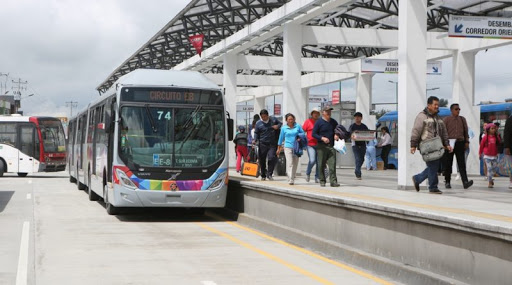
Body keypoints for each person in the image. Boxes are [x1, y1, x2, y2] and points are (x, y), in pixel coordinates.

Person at [410, 96, 452, 194]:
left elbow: (444, 132)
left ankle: (417, 179)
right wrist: (413, 145)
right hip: (427, 145)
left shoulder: (438, 118)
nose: (437, 107)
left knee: (434, 166)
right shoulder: (422, 116)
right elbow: (416, 130)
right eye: (435, 105)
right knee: (433, 166)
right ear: (429, 105)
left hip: (437, 146)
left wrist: (446, 144)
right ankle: (432, 187)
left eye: (438, 105)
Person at [442, 104, 473, 189]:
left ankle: (465, 182)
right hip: (450, 143)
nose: (458, 111)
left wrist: (467, 141)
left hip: (460, 143)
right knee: (448, 163)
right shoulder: (446, 120)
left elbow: (466, 131)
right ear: (451, 110)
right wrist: (445, 144)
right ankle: (447, 182)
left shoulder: (462, 119)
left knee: (461, 163)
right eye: (456, 109)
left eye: (459, 109)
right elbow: (443, 133)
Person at [312, 106, 340, 187]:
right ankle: (322, 180)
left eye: (330, 111)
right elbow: (314, 134)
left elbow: (338, 130)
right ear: (323, 112)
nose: (328, 113)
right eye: (327, 111)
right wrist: (322, 138)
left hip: (331, 146)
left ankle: (333, 181)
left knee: (332, 164)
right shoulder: (319, 122)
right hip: (321, 146)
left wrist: (336, 135)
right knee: (321, 164)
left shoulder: (334, 122)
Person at [277, 113, 305, 185]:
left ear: (294, 119)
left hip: (296, 147)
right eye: (289, 119)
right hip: (287, 147)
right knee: (290, 163)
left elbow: (303, 134)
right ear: (286, 120)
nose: (290, 120)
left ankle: (292, 176)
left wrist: (299, 138)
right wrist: (279, 148)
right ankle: (291, 179)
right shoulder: (283, 128)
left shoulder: (297, 126)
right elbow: (281, 138)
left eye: (292, 119)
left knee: (295, 163)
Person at [254, 109, 282, 181]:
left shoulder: (273, 120)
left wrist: (277, 126)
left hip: (272, 144)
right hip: (262, 144)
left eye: (265, 116)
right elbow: (256, 133)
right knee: (262, 160)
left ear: (268, 115)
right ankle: (263, 174)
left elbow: (280, 124)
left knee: (271, 158)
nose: (264, 118)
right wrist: (255, 139)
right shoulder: (258, 123)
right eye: (262, 117)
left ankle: (269, 174)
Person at [479, 123, 501, 188]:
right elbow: (481, 146)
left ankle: (491, 179)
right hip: (487, 156)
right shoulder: (485, 137)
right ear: (488, 130)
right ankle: (489, 182)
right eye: (492, 128)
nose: (493, 130)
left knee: (494, 169)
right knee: (489, 169)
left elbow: (499, 143)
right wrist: (480, 154)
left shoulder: (496, 137)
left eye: (494, 128)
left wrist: (498, 136)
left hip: (494, 156)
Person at [349, 112, 369, 180]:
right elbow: (349, 133)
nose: (357, 118)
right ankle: (358, 173)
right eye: (356, 117)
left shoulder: (364, 126)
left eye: (358, 117)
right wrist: (352, 137)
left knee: (362, 159)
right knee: (357, 158)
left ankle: (357, 169)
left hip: (363, 144)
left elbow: (368, 134)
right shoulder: (352, 126)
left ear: (361, 118)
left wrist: (368, 140)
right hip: (355, 145)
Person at [302, 108, 321, 183]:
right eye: (314, 113)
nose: (315, 114)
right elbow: (302, 131)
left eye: (317, 113)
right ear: (312, 114)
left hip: (319, 144)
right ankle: (308, 173)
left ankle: (317, 177)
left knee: (319, 162)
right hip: (310, 144)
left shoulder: (320, 122)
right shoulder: (308, 122)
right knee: (312, 160)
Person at [503, 114, 512, 189]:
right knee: (510, 166)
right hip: (511, 147)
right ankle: (511, 181)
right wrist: (507, 147)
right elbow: (506, 134)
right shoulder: (510, 120)